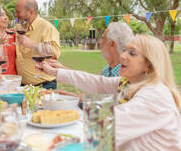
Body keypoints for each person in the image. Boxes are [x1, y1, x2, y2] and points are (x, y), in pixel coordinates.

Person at [40, 34, 181, 150]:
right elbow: (96, 82)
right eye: (125, 50)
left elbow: (103, 129)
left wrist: (54, 127)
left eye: (132, 53)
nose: (123, 56)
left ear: (149, 65)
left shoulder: (155, 95)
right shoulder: (127, 83)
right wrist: (56, 72)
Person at [15, 0, 61, 88]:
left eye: (18, 12)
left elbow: (55, 53)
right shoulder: (19, 27)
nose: (16, 15)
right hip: (22, 86)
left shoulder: (47, 27)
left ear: (31, 12)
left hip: (44, 85)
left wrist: (32, 45)